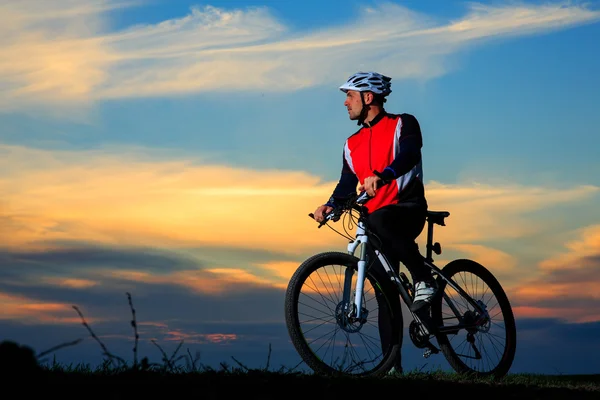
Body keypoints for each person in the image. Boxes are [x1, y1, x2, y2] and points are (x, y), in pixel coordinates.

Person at [312, 71, 435, 312]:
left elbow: (410, 154)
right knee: (385, 298)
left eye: (350, 96)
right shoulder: (351, 144)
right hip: (374, 225)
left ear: (368, 97)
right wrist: (330, 205)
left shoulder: (403, 123)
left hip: (407, 210)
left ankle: (424, 279)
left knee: (380, 218)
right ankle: (394, 351)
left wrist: (384, 175)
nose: (345, 102)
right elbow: (346, 184)